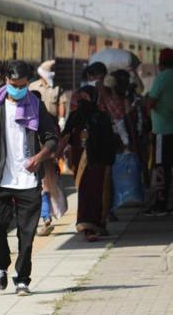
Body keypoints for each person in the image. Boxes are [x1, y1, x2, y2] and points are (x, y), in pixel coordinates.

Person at [0, 60, 58, 296]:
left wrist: (39, 157)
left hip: (27, 180)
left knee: (27, 234)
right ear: (6, 81)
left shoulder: (36, 104)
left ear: (28, 83)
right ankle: (1, 265)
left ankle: (22, 278)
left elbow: (51, 137)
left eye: (22, 85)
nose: (17, 89)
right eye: (13, 84)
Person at [56, 86, 116, 241]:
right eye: (80, 98)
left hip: (100, 161)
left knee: (100, 192)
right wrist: (55, 156)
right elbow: (66, 136)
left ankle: (98, 224)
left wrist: (110, 161)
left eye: (86, 98)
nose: (82, 102)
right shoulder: (75, 117)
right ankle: (87, 227)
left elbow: (109, 141)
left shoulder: (102, 117)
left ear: (94, 99)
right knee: (84, 193)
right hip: (80, 163)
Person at [29, 60, 66, 236]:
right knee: (43, 185)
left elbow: (61, 107)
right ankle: (45, 217)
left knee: (45, 184)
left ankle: (45, 218)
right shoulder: (32, 87)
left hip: (45, 144)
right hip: (37, 145)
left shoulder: (58, 88)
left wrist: (60, 121)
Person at [145, 48, 173, 216]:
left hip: (162, 130)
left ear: (160, 63)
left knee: (161, 167)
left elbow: (151, 102)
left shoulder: (162, 78)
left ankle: (161, 203)